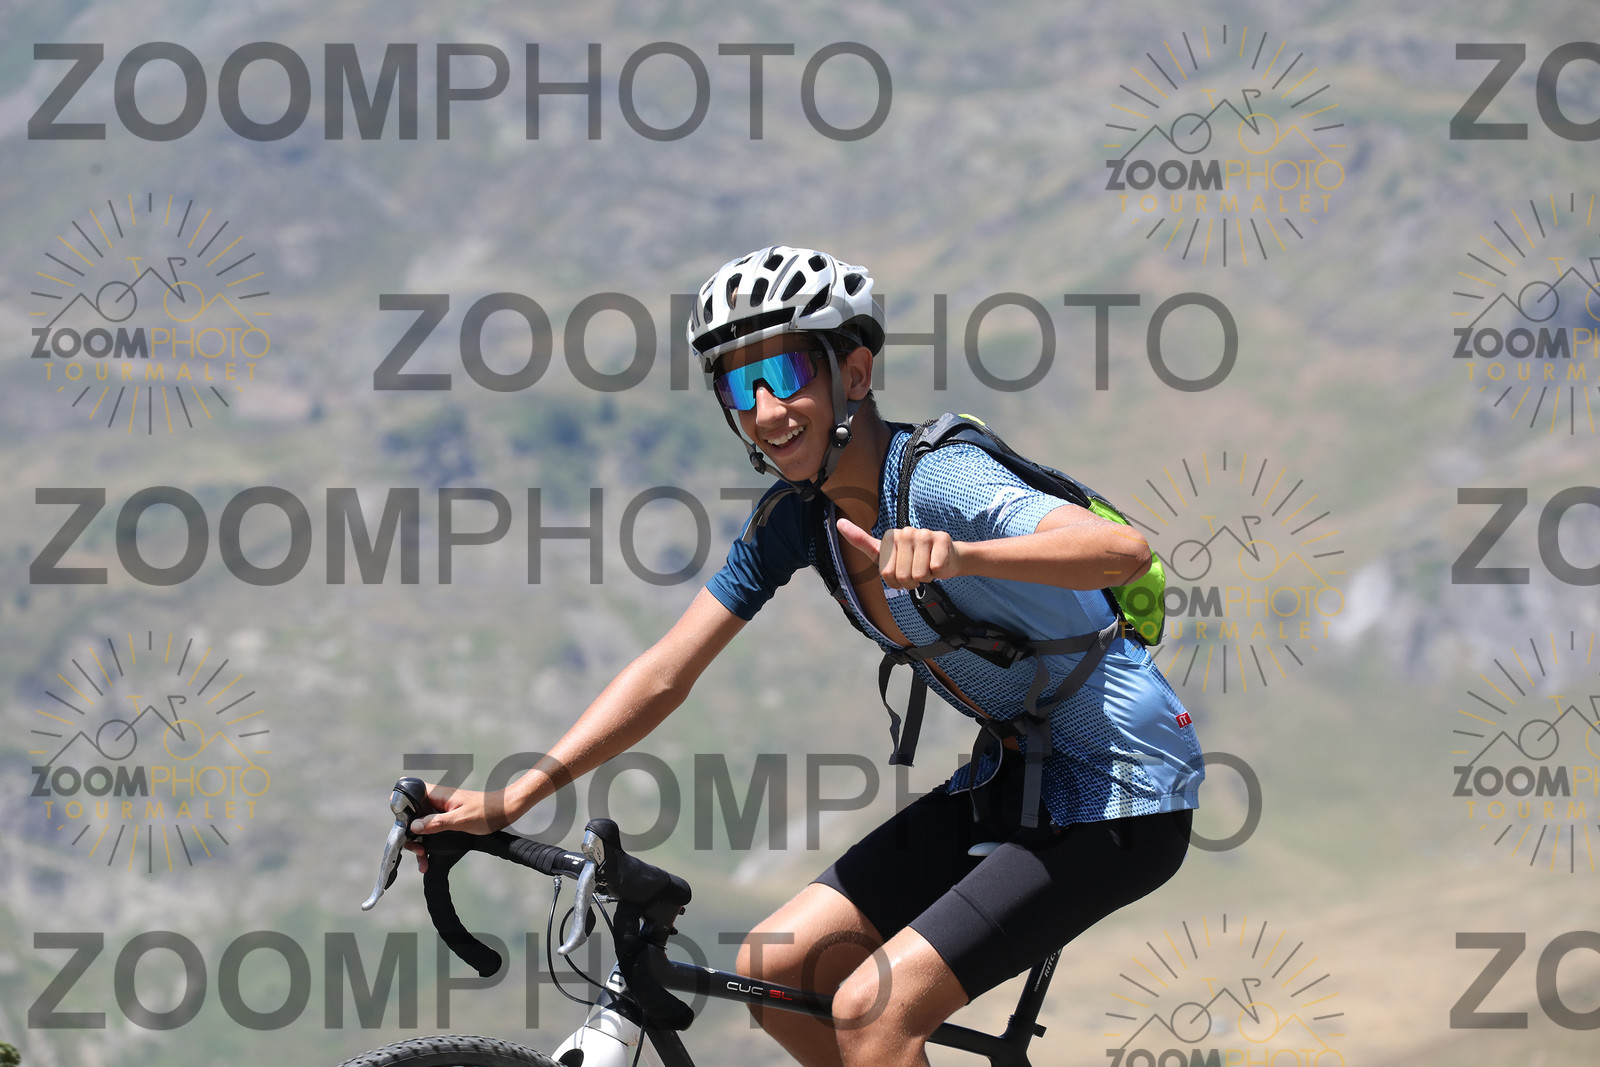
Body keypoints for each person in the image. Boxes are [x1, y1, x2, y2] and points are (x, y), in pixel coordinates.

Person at [409, 246, 1203, 1067]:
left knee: (873, 1008)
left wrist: (962, 554)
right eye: (738, 385)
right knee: (774, 970)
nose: (765, 409)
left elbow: (1121, 551)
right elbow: (667, 670)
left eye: (786, 372)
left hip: (1125, 789)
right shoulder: (797, 520)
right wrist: (516, 794)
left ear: (853, 373)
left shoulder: (940, 480)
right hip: (1015, 777)